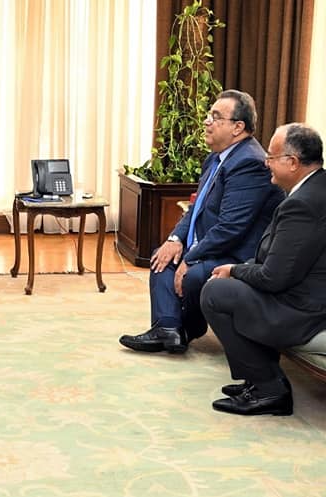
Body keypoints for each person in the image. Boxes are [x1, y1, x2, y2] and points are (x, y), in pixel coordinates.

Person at [119, 90, 283, 354]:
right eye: (209, 115)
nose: (206, 121)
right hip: (216, 245)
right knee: (162, 258)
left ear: (237, 127)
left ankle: (188, 327)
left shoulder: (249, 163)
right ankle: (168, 330)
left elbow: (231, 227)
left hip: (239, 253)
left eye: (216, 117)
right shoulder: (216, 158)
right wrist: (174, 240)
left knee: (193, 274)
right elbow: (197, 208)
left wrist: (191, 257)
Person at [201, 123, 326, 416]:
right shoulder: (316, 188)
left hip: (305, 311)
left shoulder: (303, 204)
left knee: (216, 292)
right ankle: (257, 379)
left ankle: (269, 388)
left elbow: (273, 278)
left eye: (271, 156)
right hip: (308, 296)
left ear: (292, 162)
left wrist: (234, 270)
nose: (265, 162)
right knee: (232, 282)